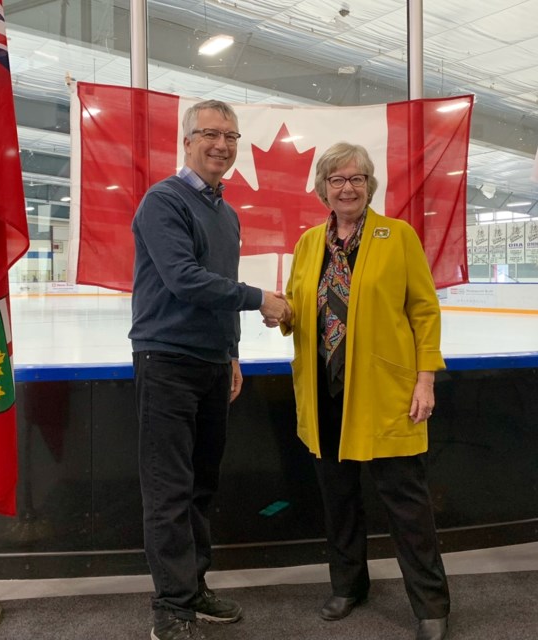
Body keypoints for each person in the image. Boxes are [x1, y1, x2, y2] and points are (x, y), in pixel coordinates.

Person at [129, 99, 290, 640]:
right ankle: (170, 609)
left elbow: (218, 288)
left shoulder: (226, 213)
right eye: (210, 134)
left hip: (211, 363)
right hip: (167, 360)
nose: (221, 145)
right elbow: (185, 279)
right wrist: (260, 300)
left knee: (200, 486)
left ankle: (193, 588)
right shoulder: (163, 202)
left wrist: (233, 351)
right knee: (169, 489)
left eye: (231, 136)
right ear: (186, 140)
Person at [279, 142, 451, 640]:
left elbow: (424, 310)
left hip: (386, 393)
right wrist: (279, 310)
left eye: (356, 179)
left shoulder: (397, 236)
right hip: (326, 390)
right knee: (339, 500)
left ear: (369, 185)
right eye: (337, 180)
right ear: (323, 189)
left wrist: (425, 378)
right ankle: (349, 585)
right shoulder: (309, 243)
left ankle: (431, 607)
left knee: (407, 505)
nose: (347, 187)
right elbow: (297, 306)